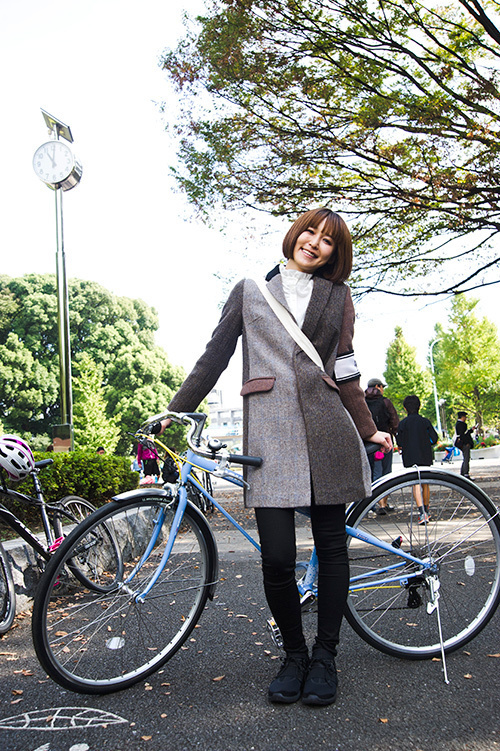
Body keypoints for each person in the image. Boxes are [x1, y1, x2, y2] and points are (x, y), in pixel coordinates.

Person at [152, 208, 391, 706]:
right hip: (270, 431)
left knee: (331, 547)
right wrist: (175, 410)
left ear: (334, 254)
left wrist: (370, 430)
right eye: (310, 231)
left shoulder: (338, 296)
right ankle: (294, 653)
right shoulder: (249, 291)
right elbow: (214, 354)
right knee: (278, 557)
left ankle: (325, 657)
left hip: (327, 428)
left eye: (327, 241)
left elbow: (346, 369)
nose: (315, 243)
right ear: (295, 233)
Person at [396, 395, 438, 524]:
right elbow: (434, 438)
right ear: (419, 406)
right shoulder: (425, 422)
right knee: (425, 483)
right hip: (425, 455)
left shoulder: (402, 423)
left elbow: (400, 441)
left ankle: (421, 513)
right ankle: (427, 510)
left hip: (409, 456)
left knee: (415, 483)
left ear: (405, 408)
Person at [364, 378, 399, 514]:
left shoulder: (363, 401)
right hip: (384, 442)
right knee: (385, 473)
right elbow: (394, 420)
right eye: (382, 387)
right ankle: (382, 504)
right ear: (377, 387)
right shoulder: (385, 402)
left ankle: (372, 503)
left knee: (372, 473)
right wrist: (397, 438)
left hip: (367, 443)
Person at [454, 411, 475, 479]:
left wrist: (470, 430)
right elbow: (464, 435)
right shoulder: (462, 424)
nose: (465, 418)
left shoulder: (458, 424)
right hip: (464, 443)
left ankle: (463, 472)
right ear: (462, 417)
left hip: (461, 443)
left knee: (465, 458)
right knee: (466, 458)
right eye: (465, 417)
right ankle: (465, 473)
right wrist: (467, 443)